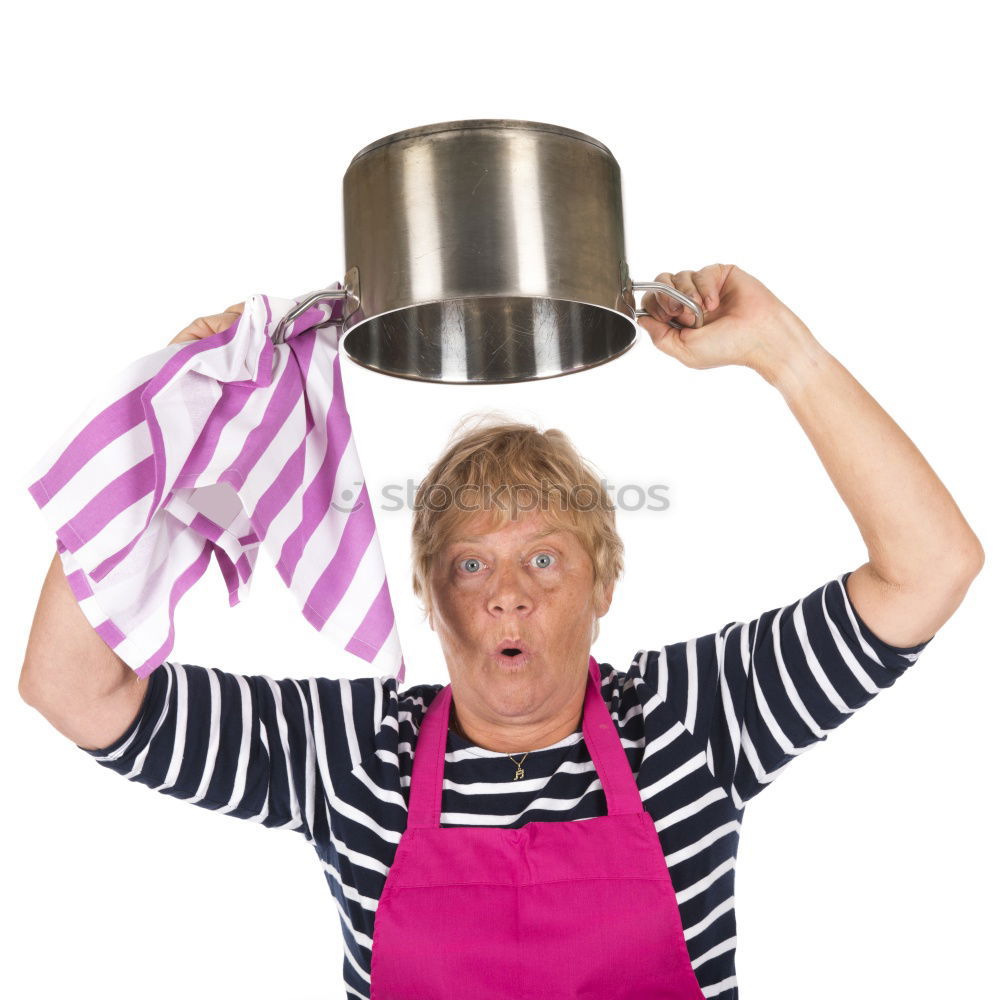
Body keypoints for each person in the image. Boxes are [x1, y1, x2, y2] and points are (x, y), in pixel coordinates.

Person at [19, 263, 984, 999]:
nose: (508, 597)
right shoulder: (353, 755)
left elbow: (931, 566)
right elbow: (74, 686)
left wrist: (785, 351)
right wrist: (177, 422)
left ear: (604, 585)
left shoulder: (693, 721)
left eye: (547, 560)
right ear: (431, 598)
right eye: (472, 564)